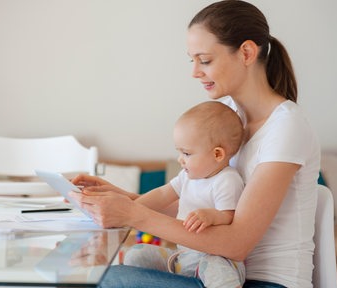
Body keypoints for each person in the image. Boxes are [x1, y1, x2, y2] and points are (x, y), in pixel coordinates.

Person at [70, 0, 320, 287]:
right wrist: (119, 198)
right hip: (209, 271)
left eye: (205, 60)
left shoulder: (285, 126)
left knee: (113, 279)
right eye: (193, 60)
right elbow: (192, 204)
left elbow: (237, 243)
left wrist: (133, 214)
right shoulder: (228, 117)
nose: (195, 72)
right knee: (114, 271)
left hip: (264, 281)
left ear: (247, 53)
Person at [124, 101, 246, 288]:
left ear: (218, 154)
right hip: (183, 258)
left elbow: (230, 217)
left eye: (187, 153)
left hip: (215, 257)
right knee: (136, 253)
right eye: (179, 152)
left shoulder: (227, 180)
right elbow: (163, 194)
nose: (180, 159)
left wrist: (210, 216)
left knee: (215, 267)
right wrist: (130, 208)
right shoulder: (187, 176)